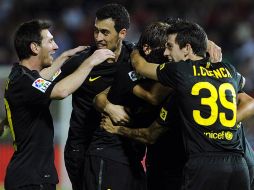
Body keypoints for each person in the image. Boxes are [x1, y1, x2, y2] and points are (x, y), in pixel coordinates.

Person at [101, 20, 251, 189]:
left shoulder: (180, 71)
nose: (166, 53)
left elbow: (140, 66)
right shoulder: (228, 69)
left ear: (187, 48)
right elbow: (245, 89)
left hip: (203, 164)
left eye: (170, 47)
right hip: (239, 164)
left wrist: (136, 48)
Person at [4, 19, 115, 190]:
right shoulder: (24, 82)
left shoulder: (21, 76)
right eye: (50, 41)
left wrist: (63, 57)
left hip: (31, 176)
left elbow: (42, 80)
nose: (56, 46)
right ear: (34, 48)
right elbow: (61, 91)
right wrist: (90, 62)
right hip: (31, 180)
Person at [52, 3, 134, 190]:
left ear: (122, 33)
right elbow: (47, 88)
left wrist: (205, 46)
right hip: (82, 148)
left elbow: (169, 54)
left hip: (121, 149)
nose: (98, 38)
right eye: (96, 31)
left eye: (105, 32)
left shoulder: (134, 57)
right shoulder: (82, 61)